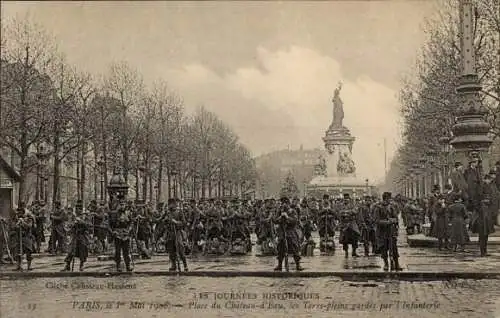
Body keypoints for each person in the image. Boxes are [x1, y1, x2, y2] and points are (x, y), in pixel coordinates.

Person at [373, 192, 402, 271]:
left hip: (391, 231)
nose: (390, 200)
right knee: (384, 248)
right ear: (385, 199)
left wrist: (393, 220)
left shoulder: (392, 207)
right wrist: (387, 222)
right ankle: (386, 263)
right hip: (382, 232)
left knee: (394, 248)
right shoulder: (378, 208)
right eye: (389, 198)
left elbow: (396, 218)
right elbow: (376, 220)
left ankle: (396, 263)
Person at [273, 197, 303, 272]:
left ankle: (298, 264)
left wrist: (287, 217)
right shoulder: (279, 211)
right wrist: (280, 217)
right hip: (282, 232)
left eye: (286, 203)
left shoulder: (293, 211)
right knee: (280, 248)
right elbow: (275, 220)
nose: (284, 205)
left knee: (294, 247)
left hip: (291, 231)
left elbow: (295, 221)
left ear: (288, 204)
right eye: (283, 203)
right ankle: (279, 265)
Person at [163, 199, 188, 271]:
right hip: (170, 233)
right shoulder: (167, 213)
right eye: (169, 204)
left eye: (171, 204)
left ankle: (185, 265)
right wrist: (166, 221)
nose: (169, 205)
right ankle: (173, 265)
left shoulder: (179, 212)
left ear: (174, 204)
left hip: (177, 232)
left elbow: (184, 223)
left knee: (180, 249)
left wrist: (176, 222)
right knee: (171, 250)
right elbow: (163, 222)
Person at [108, 200, 133, 272]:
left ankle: (128, 266)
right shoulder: (114, 214)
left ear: (125, 205)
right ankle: (118, 266)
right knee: (118, 251)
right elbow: (109, 224)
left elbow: (131, 223)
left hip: (125, 234)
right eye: (121, 204)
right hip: (117, 234)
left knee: (126, 251)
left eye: (123, 204)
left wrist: (129, 229)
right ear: (118, 205)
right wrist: (113, 231)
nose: (122, 206)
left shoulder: (128, 213)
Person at [10, 203, 35, 271]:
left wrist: (23, 222)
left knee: (28, 252)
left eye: (21, 212)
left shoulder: (29, 218)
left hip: (26, 237)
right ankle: (18, 266)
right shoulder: (16, 219)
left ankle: (29, 266)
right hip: (18, 237)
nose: (19, 214)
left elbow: (29, 226)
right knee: (18, 252)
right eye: (18, 212)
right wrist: (17, 224)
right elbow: (12, 227)